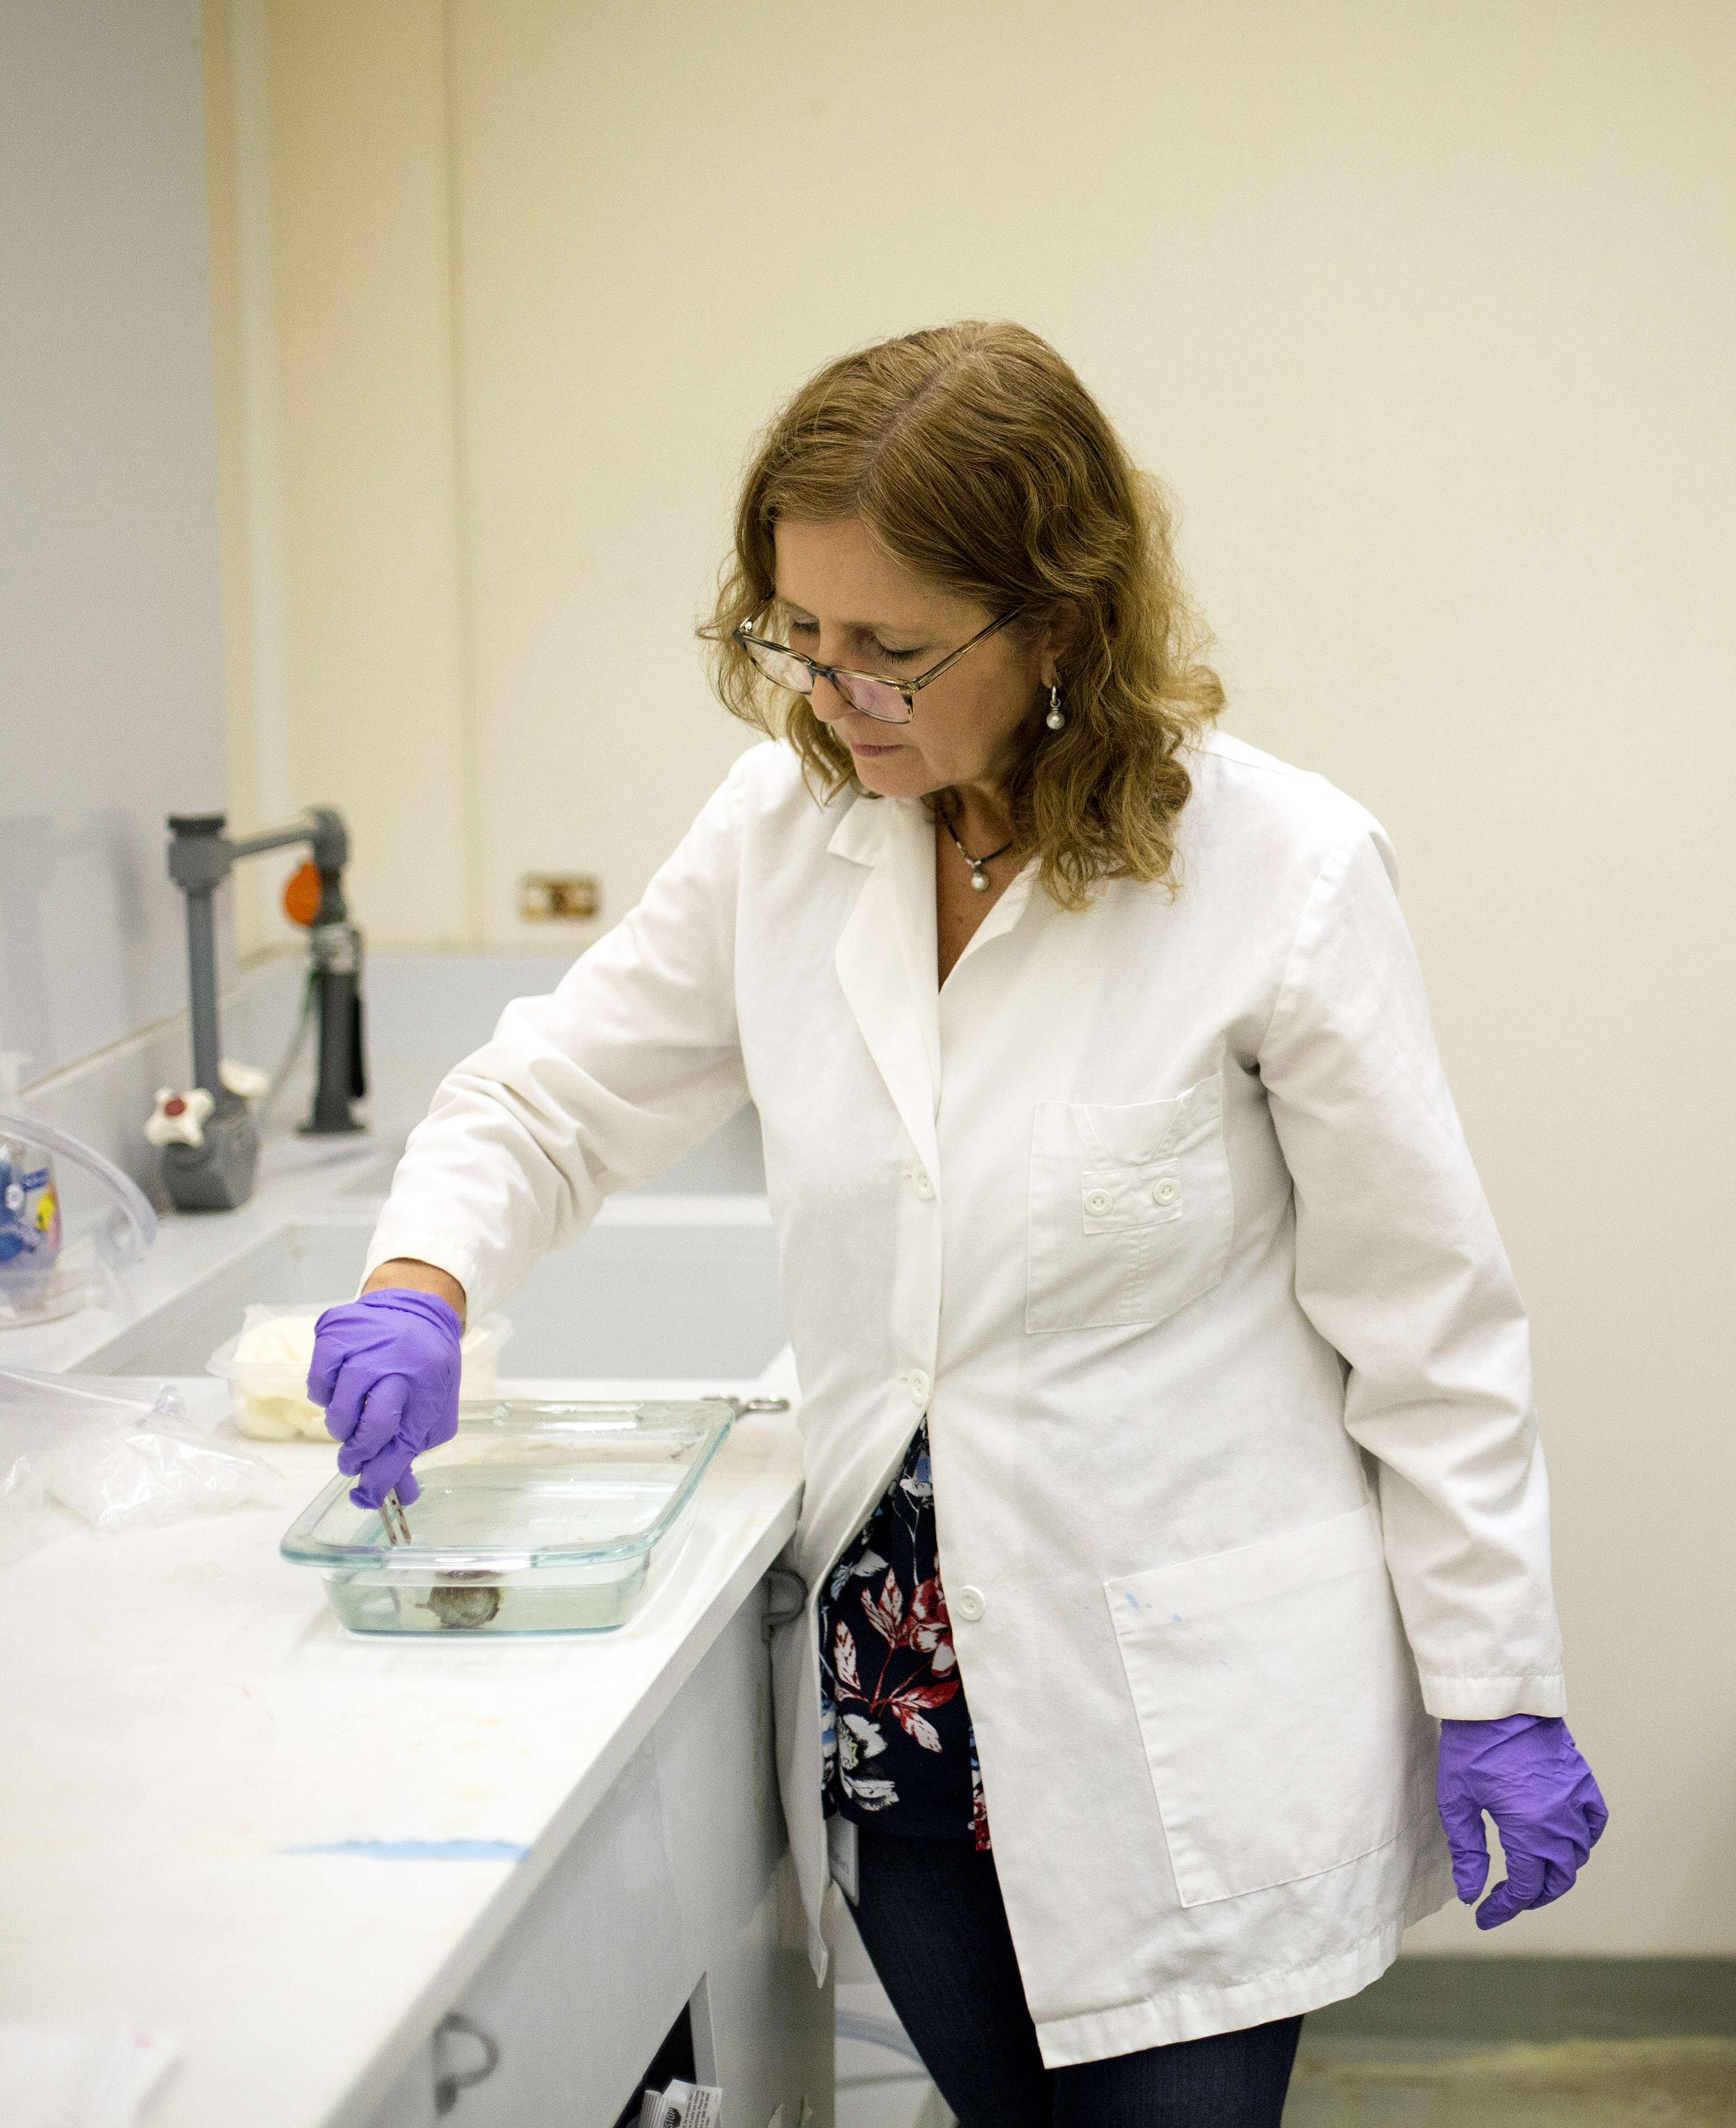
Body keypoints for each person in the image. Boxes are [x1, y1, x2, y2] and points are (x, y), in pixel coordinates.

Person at [305, 321, 1607, 2127]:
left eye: (891, 650)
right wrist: (422, 1276)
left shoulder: (1279, 876)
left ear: (1057, 625)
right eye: (798, 635)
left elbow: (1429, 1320)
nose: (833, 695)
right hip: (902, 1703)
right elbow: (553, 1095)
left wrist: (1500, 1681)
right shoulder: (785, 834)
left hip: (1183, 1714)